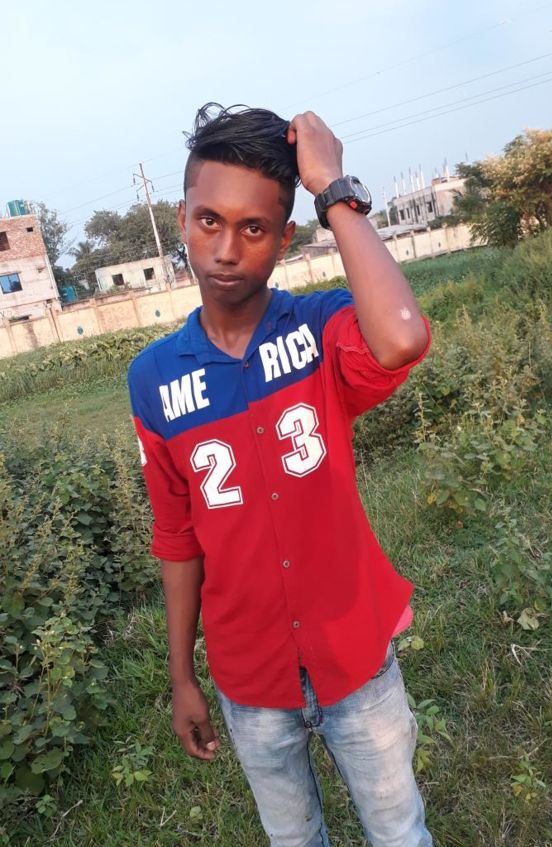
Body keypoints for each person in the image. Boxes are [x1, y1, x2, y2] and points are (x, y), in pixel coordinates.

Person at [127, 102, 433, 847]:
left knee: (399, 831)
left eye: (255, 228)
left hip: (355, 654)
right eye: (209, 221)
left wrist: (333, 188)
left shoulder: (321, 329)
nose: (227, 249)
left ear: (285, 237)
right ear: (182, 218)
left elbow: (401, 337)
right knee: (292, 838)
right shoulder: (154, 378)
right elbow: (177, 537)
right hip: (251, 680)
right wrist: (182, 676)